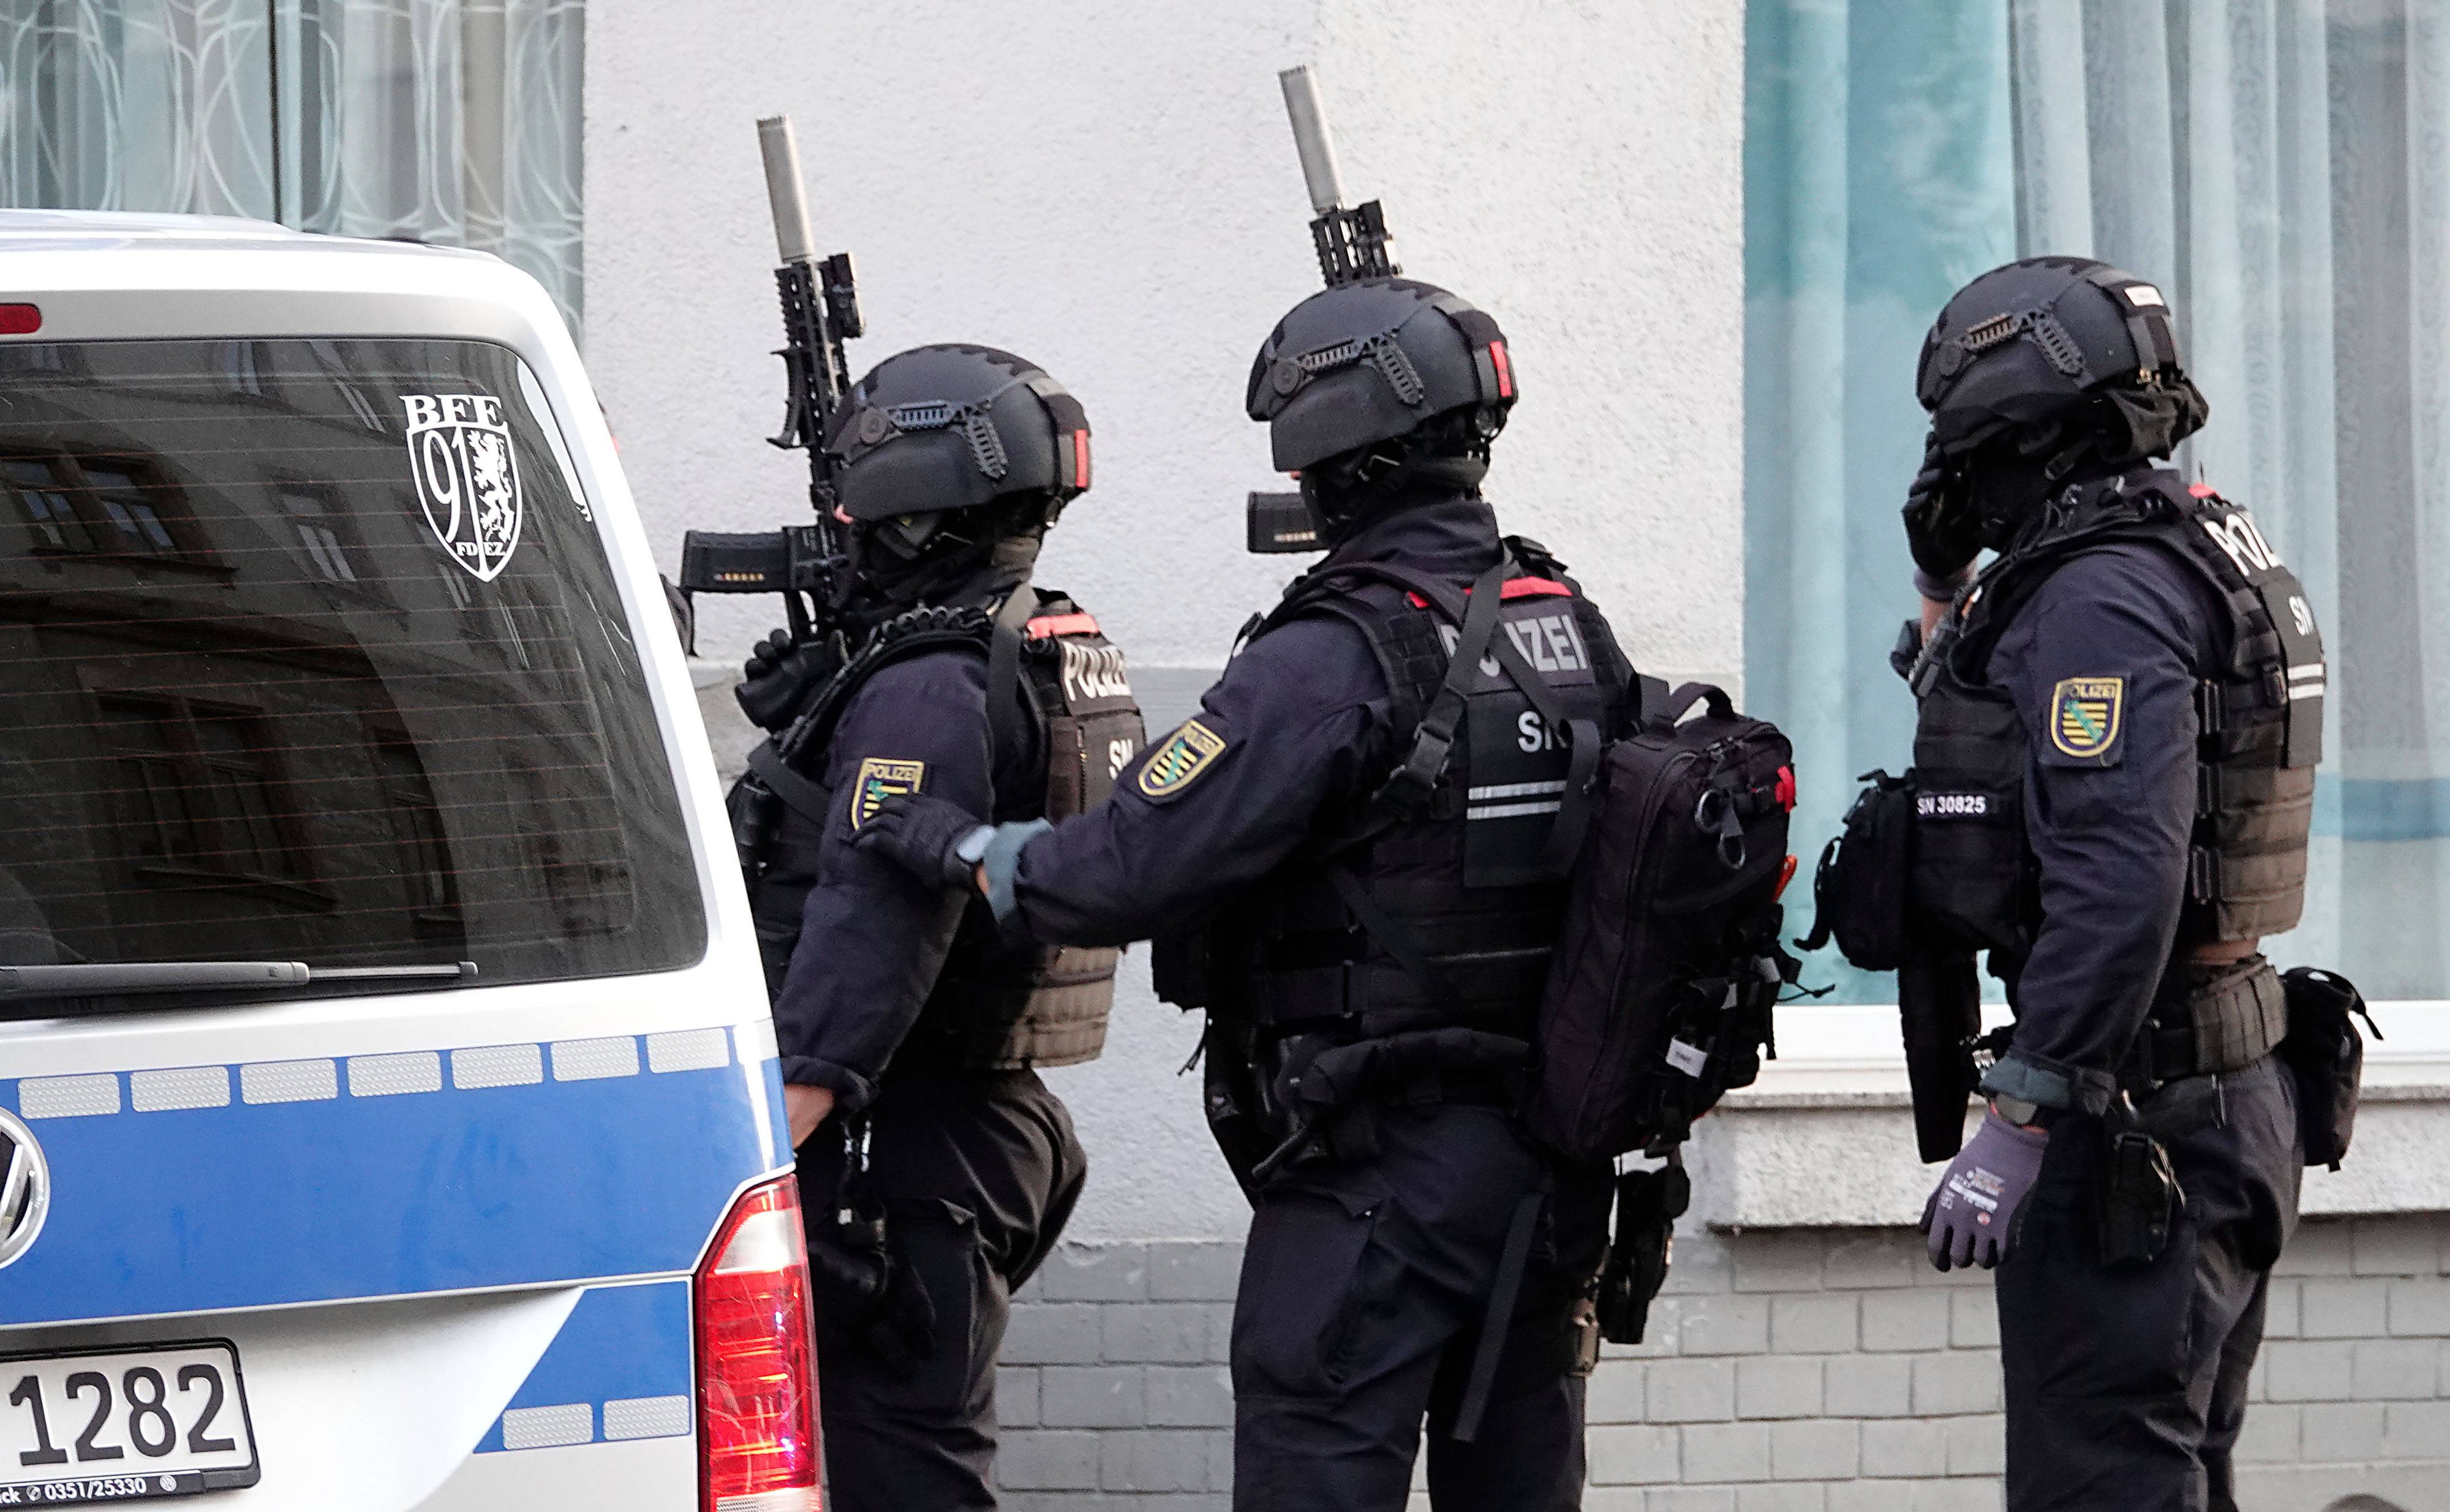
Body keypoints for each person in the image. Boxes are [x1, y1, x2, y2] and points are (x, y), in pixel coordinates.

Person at [856, 277, 1637, 1511]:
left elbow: (1116, 870)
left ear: (1328, 458)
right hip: (1545, 1165)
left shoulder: (1331, 651)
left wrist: (954, 844)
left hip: (1377, 1167)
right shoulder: (1565, 624)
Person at [1899, 258, 2321, 1510]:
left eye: (1967, 442)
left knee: (2102, 1476)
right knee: (2164, 1468)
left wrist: (2021, 1112)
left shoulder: (2098, 595)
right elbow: (1997, 772)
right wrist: (1936, 594)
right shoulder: (2192, 537)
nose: (1953, 469)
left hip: (2136, 1111)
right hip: (2217, 1082)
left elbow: (2117, 876)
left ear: (2028, 431)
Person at [737, 342, 1144, 1510]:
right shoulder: (1055, 641)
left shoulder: (929, 676)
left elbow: (876, 921)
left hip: (899, 1151)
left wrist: (756, 1150)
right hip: (992, 1125)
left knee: (902, 1476)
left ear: (918, 498)